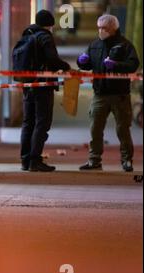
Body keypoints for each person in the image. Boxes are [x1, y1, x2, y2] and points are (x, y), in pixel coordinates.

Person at [77, 14, 140, 172]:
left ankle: (127, 160)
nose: (100, 31)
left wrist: (116, 66)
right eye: (99, 28)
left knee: (122, 129)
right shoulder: (95, 45)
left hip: (120, 95)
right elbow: (87, 63)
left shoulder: (125, 45)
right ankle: (94, 160)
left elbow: (133, 65)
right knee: (95, 128)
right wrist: (81, 61)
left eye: (104, 28)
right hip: (100, 93)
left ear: (113, 29)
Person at [20, 10, 71, 172]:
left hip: (27, 85)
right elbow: (52, 60)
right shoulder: (45, 36)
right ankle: (35, 160)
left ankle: (25, 160)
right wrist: (66, 66)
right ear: (50, 25)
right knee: (42, 122)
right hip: (43, 86)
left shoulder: (27, 34)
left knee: (28, 122)